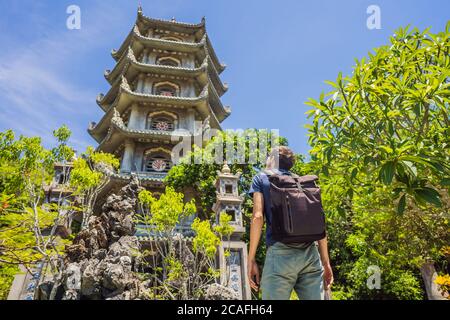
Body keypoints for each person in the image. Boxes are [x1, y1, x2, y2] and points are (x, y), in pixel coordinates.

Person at [247, 146, 333, 300]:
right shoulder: (301, 182)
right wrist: (326, 262)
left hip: (280, 256)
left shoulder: (261, 178)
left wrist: (251, 259)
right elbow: (319, 221)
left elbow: (258, 217)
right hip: (310, 256)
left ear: (273, 158)